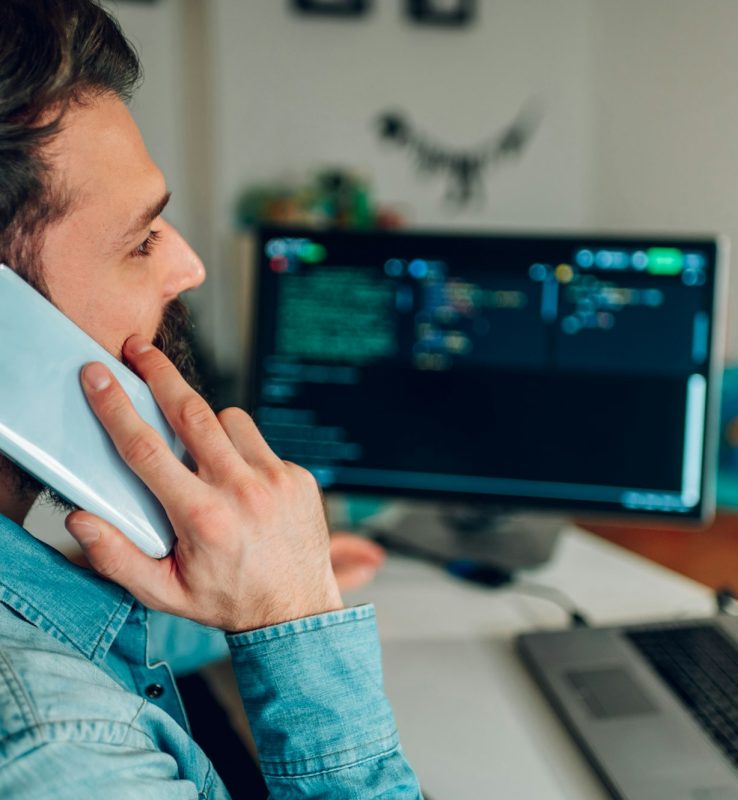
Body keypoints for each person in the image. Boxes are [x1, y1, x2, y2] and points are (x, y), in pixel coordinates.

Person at [0, 1, 422, 797]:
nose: (187, 266)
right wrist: (295, 626)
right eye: (141, 240)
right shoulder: (63, 752)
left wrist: (258, 594)